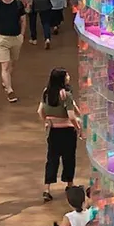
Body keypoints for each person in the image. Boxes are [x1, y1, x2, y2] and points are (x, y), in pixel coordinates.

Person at [40, 67, 78, 201]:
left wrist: (46, 121)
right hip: (67, 132)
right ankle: (69, 184)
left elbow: (40, 111)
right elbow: (71, 115)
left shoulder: (46, 93)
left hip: (54, 131)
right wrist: (78, 127)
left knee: (52, 159)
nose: (68, 76)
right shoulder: (66, 95)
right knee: (69, 158)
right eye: (66, 75)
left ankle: (47, 189)